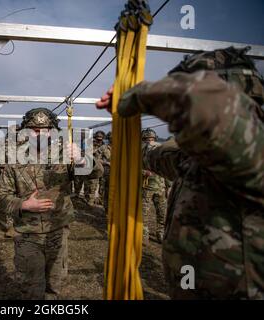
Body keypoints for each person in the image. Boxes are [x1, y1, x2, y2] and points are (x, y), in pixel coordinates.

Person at [96, 46, 264, 299]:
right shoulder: (197, 158)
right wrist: (123, 126)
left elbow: (206, 106)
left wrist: (136, 96)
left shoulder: (254, 150)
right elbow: (149, 155)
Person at [0, 107, 102, 299]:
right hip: (28, 235)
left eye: (46, 130)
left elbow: (96, 173)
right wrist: (24, 205)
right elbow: (0, 197)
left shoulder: (65, 155)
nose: (40, 134)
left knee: (54, 286)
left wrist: (81, 159)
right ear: (26, 131)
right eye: (35, 129)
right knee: (30, 289)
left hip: (57, 232)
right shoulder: (14, 160)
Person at [141, 128, 168, 244]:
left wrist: (168, 186)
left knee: (162, 213)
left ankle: (160, 233)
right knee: (143, 214)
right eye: (147, 139)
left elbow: (167, 169)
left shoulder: (160, 150)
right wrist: (144, 172)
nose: (150, 141)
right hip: (146, 188)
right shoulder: (140, 151)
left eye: (151, 139)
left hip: (160, 188)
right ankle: (144, 235)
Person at [84, 130, 106, 206]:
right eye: (98, 138)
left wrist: (103, 161)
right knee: (91, 186)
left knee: (102, 187)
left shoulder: (105, 146)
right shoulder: (90, 145)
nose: (99, 139)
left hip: (103, 168)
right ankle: (89, 202)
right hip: (93, 168)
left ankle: (100, 201)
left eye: (101, 138)